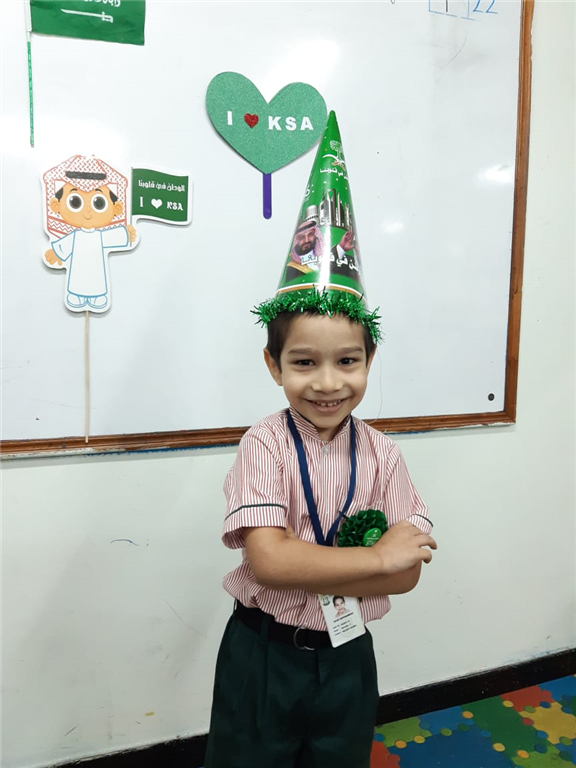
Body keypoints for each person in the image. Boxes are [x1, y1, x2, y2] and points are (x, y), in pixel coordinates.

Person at [204, 112, 437, 768]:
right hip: (264, 653)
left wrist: (384, 561)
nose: (328, 383)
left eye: (348, 361)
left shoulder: (384, 453)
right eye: (304, 362)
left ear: (369, 360)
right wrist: (377, 558)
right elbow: (272, 563)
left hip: (348, 653)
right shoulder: (266, 444)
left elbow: (409, 574)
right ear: (273, 365)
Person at [42, 155, 137, 312]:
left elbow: (115, 236)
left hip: (96, 275)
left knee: (96, 281)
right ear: (56, 205)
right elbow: (64, 246)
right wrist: (56, 253)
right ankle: (76, 295)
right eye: (75, 202)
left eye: (98, 203)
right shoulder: (75, 236)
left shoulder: (100, 236)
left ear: (116, 209)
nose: (87, 210)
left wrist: (126, 234)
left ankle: (97, 296)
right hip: (77, 275)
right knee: (77, 282)